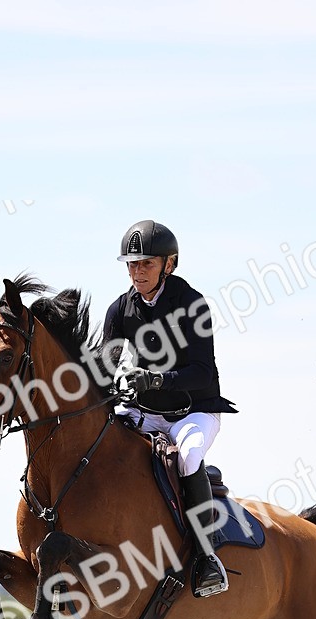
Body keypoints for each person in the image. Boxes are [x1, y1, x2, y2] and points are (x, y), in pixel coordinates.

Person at [103, 219, 237, 598]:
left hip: (194, 411)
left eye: (146, 264)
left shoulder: (191, 304)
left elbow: (202, 371)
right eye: (132, 264)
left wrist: (157, 379)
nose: (137, 272)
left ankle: (206, 558)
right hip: (145, 412)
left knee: (189, 457)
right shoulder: (120, 310)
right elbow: (104, 366)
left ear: (169, 264)